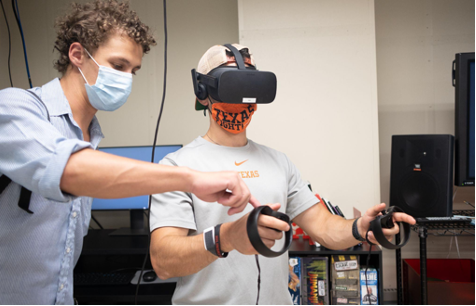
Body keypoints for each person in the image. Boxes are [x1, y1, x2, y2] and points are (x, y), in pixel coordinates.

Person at [0, 0, 257, 305]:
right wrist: (190, 179)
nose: (125, 78)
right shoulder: (13, 109)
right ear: (77, 54)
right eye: (118, 66)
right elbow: (68, 169)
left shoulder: (91, 137)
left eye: (132, 71)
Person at [149, 44, 417, 305]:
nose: (241, 96)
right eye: (231, 84)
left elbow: (323, 227)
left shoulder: (278, 162)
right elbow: (163, 261)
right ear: (202, 92)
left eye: (249, 85)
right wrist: (226, 237)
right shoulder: (177, 167)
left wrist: (360, 228)